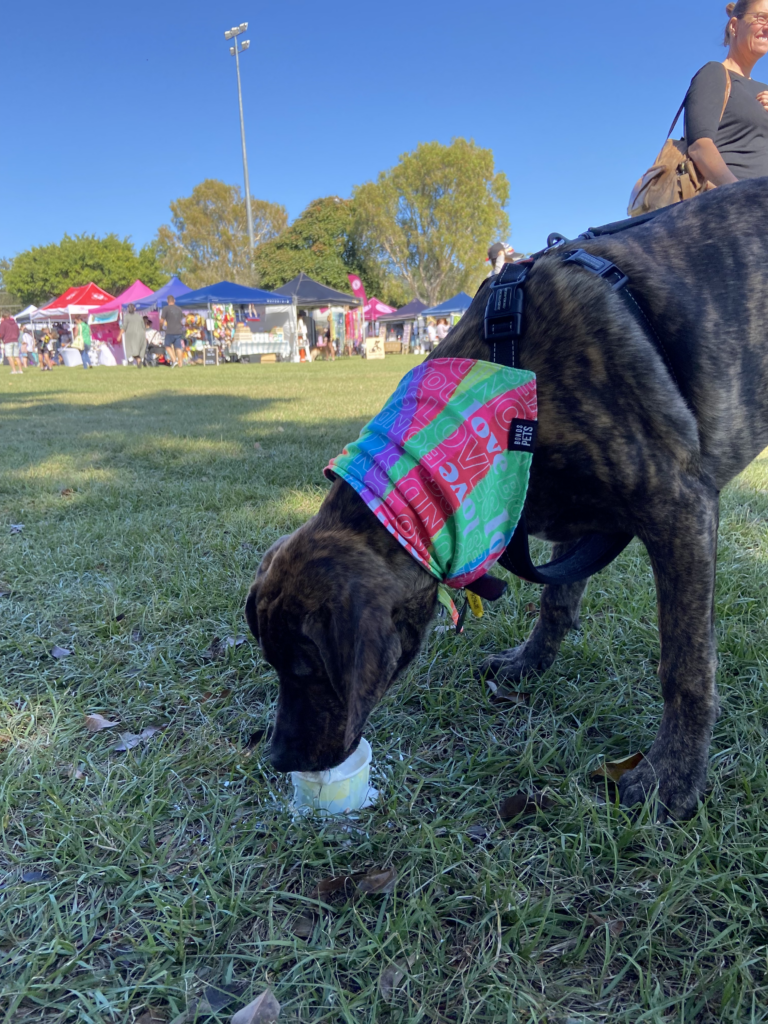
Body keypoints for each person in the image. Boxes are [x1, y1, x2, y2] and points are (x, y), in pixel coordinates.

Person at [685, 1, 768, 186]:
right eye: (761, 18)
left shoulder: (764, 89)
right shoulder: (714, 73)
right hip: (729, 208)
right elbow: (700, 147)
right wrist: (740, 195)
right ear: (734, 25)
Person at [160, 294, 186, 368]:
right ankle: (180, 364)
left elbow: (162, 320)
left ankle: (174, 360)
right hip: (178, 331)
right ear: (174, 301)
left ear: (167, 301)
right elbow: (182, 321)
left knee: (167, 346)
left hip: (170, 331)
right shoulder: (179, 309)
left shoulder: (166, 308)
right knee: (178, 347)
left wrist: (160, 326)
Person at [119, 303, 147, 367]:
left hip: (131, 335)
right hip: (141, 334)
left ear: (128, 309)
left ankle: (137, 360)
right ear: (134, 309)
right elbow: (143, 327)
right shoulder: (139, 316)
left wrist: (119, 335)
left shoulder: (127, 316)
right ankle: (139, 360)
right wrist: (144, 337)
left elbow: (124, 327)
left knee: (131, 349)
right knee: (138, 349)